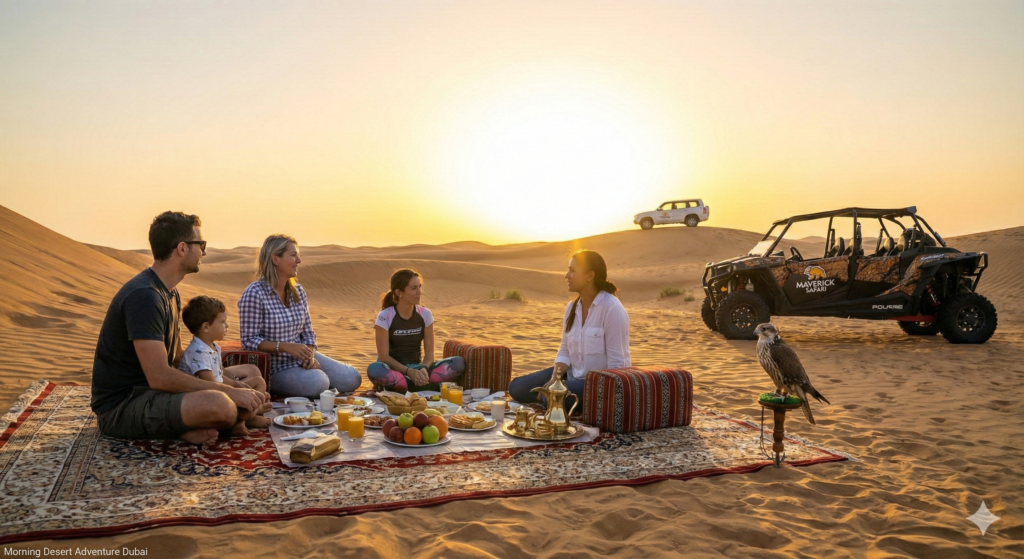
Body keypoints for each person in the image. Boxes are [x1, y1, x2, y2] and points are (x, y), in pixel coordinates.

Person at [91, 212, 268, 445]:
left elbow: (177, 359)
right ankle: (182, 429)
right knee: (221, 405)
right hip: (123, 405)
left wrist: (233, 384)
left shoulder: (170, 293)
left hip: (154, 395)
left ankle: (195, 423)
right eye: (201, 244)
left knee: (248, 383)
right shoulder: (145, 296)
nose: (204, 252)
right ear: (182, 248)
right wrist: (229, 393)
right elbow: (159, 377)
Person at [238, 234, 361, 398]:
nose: (299, 261)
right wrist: (285, 346)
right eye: (293, 255)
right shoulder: (254, 294)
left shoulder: (298, 291)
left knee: (352, 378)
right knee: (318, 382)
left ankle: (319, 385)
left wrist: (309, 356)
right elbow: (249, 341)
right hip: (275, 367)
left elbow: (308, 332)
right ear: (275, 259)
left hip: (302, 360)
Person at [508, 250, 630, 404]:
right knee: (516, 388)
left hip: (599, 385)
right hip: (572, 375)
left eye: (572, 271)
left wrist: (605, 396)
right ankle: (559, 397)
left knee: (550, 397)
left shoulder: (611, 308)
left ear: (589, 276)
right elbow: (565, 350)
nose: (566, 275)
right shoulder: (571, 308)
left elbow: (617, 365)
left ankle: (559, 401)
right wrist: (554, 378)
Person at [179, 295, 272, 431]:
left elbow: (220, 376)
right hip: (208, 397)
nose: (227, 325)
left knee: (259, 382)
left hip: (220, 389)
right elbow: (211, 386)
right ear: (205, 327)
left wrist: (238, 385)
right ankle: (247, 417)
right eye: (223, 322)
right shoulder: (198, 353)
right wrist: (237, 393)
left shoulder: (213, 346)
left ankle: (250, 413)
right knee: (246, 404)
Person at [366, 269, 465, 392]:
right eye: (413, 288)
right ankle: (424, 385)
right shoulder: (385, 316)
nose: (419, 292)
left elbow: (429, 353)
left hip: (417, 368)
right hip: (393, 369)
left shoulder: (425, 314)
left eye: (420, 287)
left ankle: (406, 385)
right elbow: (384, 357)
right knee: (374, 370)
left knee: (458, 363)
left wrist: (423, 369)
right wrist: (408, 372)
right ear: (399, 292)